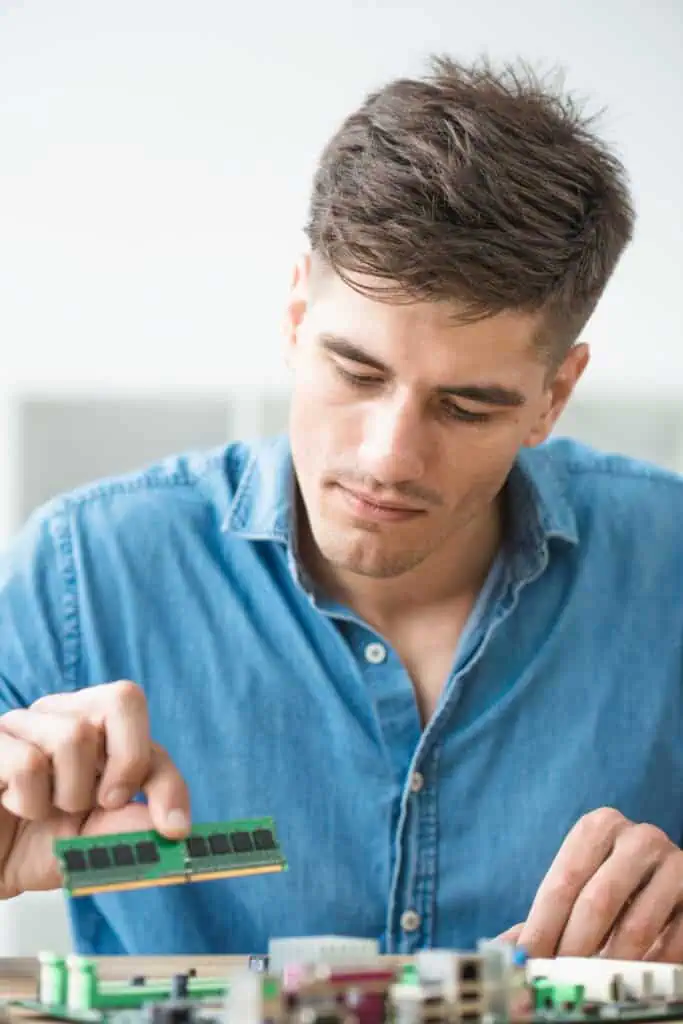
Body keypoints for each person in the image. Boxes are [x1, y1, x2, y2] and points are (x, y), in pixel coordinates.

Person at [1, 54, 683, 964]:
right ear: (294, 317)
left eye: (465, 406)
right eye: (355, 372)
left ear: (554, 396)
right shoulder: (80, 572)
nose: (386, 458)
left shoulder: (668, 564)